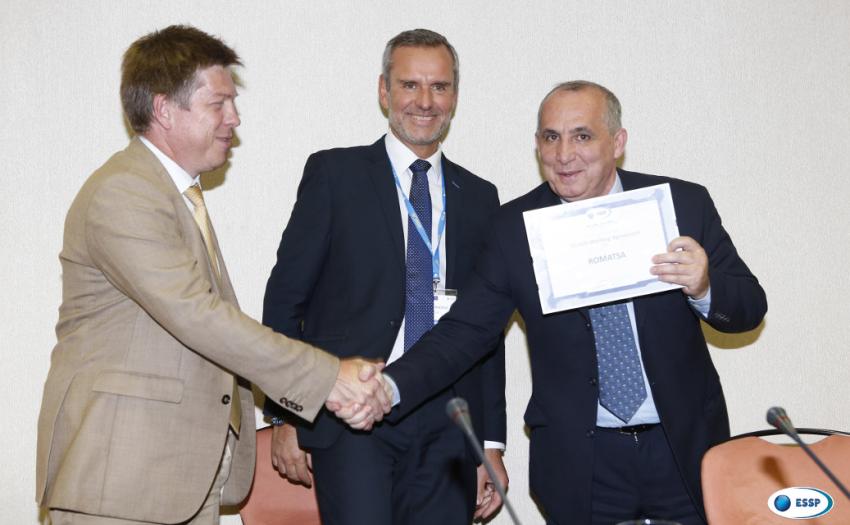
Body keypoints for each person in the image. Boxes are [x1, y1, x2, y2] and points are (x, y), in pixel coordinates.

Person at [35, 25, 389, 525]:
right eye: (218, 104)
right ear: (164, 109)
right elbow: (199, 317)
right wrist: (330, 378)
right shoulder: (125, 193)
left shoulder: (175, 194)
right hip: (121, 484)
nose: (234, 118)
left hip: (175, 480)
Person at [384, 80, 768, 524]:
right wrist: (389, 387)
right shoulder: (514, 228)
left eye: (581, 136)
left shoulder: (682, 204)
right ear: (537, 145)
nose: (564, 154)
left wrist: (704, 285)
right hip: (583, 463)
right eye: (551, 137)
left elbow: (749, 308)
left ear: (617, 143)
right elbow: (464, 332)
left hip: (682, 451)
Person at [262, 28, 508, 525]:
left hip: (448, 422)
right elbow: (285, 301)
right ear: (384, 91)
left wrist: (490, 444)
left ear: (454, 97)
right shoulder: (335, 175)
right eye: (409, 84)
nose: (425, 101)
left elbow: (485, 331)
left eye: (439, 87)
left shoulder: (481, 198)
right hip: (350, 416)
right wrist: (286, 413)